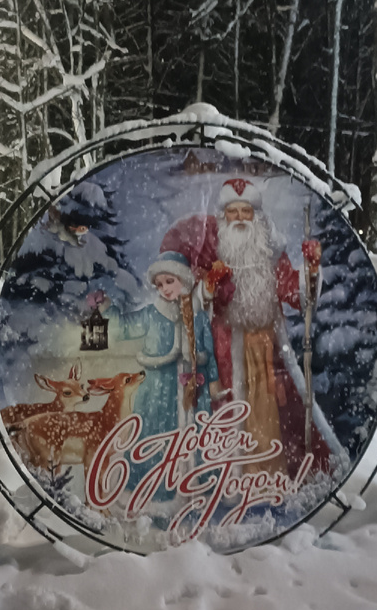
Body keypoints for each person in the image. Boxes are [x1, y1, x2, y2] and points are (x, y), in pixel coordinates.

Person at [160, 177, 337, 479]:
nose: (240, 218)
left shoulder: (270, 254)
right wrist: (210, 286)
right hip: (225, 349)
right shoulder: (212, 255)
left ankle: (266, 477)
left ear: (257, 216)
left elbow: (298, 296)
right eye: (233, 211)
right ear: (223, 216)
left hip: (268, 351)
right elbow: (193, 305)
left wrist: (310, 270)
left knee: (270, 416)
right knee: (228, 413)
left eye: (246, 211)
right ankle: (229, 480)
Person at [99, 251, 220, 459]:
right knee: (155, 440)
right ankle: (156, 475)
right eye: (159, 285)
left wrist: (214, 381)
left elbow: (208, 351)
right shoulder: (151, 315)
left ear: (184, 280)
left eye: (169, 281)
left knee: (195, 439)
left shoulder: (198, 316)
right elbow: (122, 328)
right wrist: (107, 308)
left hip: (194, 393)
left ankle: (195, 473)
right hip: (157, 392)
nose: (164, 288)